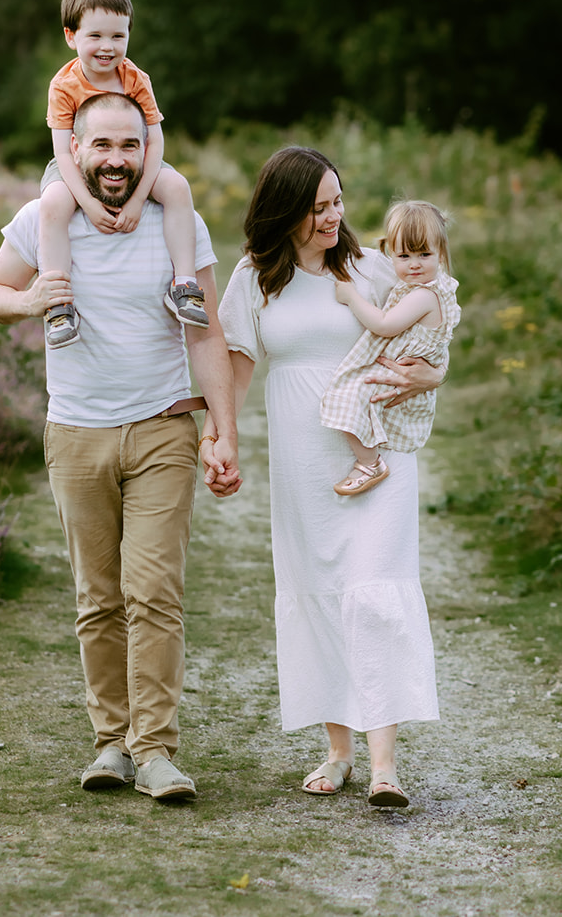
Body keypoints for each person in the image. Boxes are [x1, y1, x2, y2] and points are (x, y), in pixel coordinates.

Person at [0, 92, 240, 804]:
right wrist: (32, 301)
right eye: (103, 146)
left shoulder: (178, 222)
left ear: (146, 147)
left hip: (161, 430)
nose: (117, 160)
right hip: (76, 434)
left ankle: (155, 751)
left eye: (130, 145)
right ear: (78, 149)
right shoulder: (46, 216)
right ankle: (111, 742)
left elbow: (206, 332)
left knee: (153, 593)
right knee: (98, 599)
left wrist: (224, 427)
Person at [210, 146, 443, 808]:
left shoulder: (370, 269)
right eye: (318, 208)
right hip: (303, 458)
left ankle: (384, 763)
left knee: (373, 591)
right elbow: (236, 367)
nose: (334, 217)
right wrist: (218, 437)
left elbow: (429, 329)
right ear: (285, 211)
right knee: (318, 591)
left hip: (379, 451)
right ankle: (338, 749)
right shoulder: (256, 278)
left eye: (338, 201)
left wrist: (436, 371)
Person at [36, 0, 206, 350]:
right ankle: (59, 303)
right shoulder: (64, 85)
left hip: (137, 158)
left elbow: (155, 140)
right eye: (95, 36)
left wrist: (136, 199)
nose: (108, 47)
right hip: (76, 164)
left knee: (177, 187)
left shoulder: (134, 78)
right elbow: (64, 151)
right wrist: (88, 203)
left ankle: (184, 285)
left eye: (118, 36)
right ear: (71, 36)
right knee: (51, 204)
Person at [320, 200, 461, 496]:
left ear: (441, 253)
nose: (414, 264)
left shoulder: (424, 294)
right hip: (402, 371)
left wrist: (351, 297)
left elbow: (384, 324)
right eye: (404, 255)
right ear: (389, 253)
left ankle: (370, 463)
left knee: (349, 395)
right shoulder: (430, 288)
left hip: (399, 376)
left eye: (424, 254)